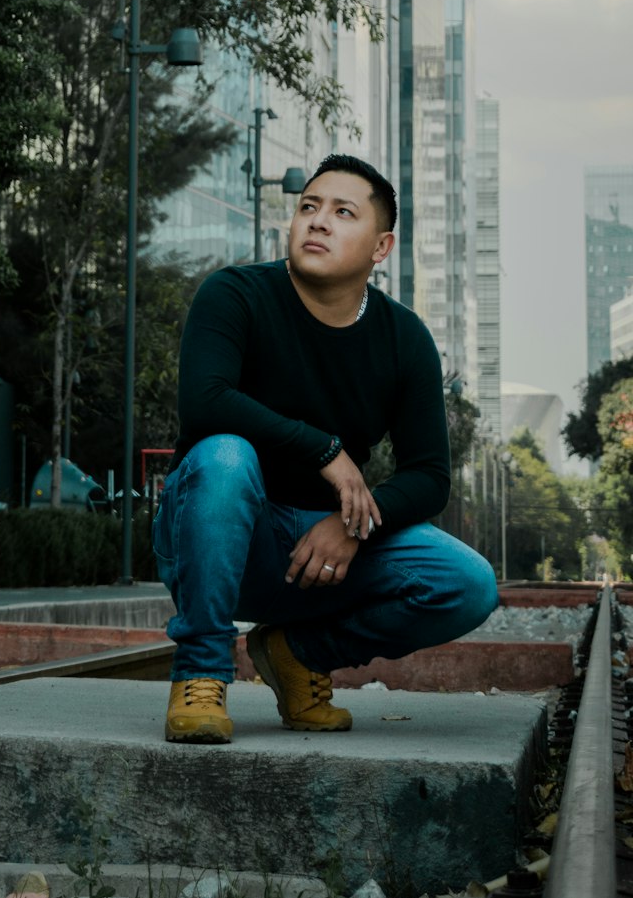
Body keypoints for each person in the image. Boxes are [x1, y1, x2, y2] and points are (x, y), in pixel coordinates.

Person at [153, 153, 498, 744]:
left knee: (468, 582)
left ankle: (298, 654)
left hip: (326, 557)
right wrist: (325, 451)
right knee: (226, 455)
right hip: (221, 536)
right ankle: (202, 671)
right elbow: (206, 403)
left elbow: (430, 476)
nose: (317, 221)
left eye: (343, 212)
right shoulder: (234, 294)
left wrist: (352, 526)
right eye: (308, 207)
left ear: (380, 248)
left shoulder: (404, 339)